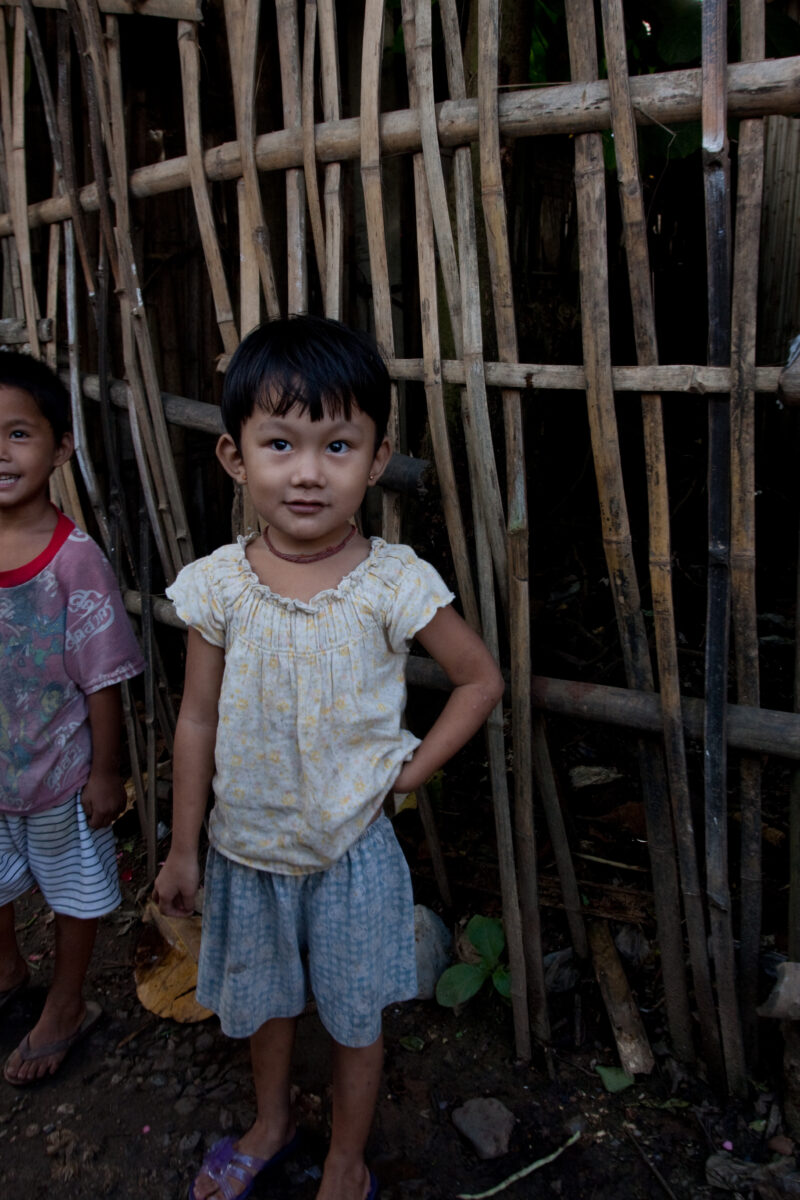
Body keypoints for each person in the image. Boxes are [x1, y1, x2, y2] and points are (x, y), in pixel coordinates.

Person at [154, 315, 505, 1200]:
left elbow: (478, 679)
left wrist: (411, 770)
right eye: (281, 443)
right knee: (266, 1008)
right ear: (237, 458)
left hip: (352, 859)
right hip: (247, 853)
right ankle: (271, 1122)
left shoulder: (392, 581)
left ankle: (346, 1157)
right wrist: (185, 846)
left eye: (337, 445)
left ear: (377, 459)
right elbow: (196, 720)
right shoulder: (220, 586)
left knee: (356, 1021)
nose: (308, 471)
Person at [0, 351, 144, 1085]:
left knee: (72, 890)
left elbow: (105, 677)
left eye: (17, 433)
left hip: (57, 771)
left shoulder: (73, 560)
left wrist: (108, 772)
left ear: (60, 448)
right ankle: (7, 968)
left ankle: (67, 1001)